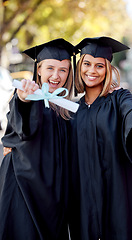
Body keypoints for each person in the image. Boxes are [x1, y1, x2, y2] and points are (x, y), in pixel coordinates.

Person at [68, 37, 132, 240]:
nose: (92, 70)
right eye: (87, 64)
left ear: (108, 69)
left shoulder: (119, 97)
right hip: (84, 198)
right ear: (79, 66)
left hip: (119, 191)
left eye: (99, 65)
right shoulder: (73, 111)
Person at [0, 38, 74, 240]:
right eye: (50, 68)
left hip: (54, 193)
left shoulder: (69, 109)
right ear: (38, 69)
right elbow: (21, 127)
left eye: (63, 70)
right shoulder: (28, 96)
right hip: (23, 187)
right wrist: (24, 99)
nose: (56, 76)